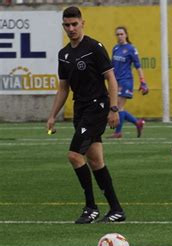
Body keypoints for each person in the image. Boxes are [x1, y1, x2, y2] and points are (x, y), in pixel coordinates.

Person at [46, 6, 125, 224]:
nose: (71, 29)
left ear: (83, 23)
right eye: (67, 25)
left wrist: (114, 108)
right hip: (80, 110)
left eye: (74, 24)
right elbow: (63, 88)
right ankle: (116, 209)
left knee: (74, 155)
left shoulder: (94, 47)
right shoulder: (64, 55)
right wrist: (53, 115)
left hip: (97, 108)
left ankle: (91, 207)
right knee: (96, 160)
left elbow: (111, 78)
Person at [109, 26, 148, 138]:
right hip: (116, 81)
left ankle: (118, 132)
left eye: (121, 34)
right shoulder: (115, 48)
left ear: (126, 35)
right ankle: (137, 122)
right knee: (116, 106)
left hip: (126, 81)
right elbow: (112, 66)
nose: (120, 36)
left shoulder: (131, 49)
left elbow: (138, 66)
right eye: (117, 34)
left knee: (119, 106)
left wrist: (143, 82)